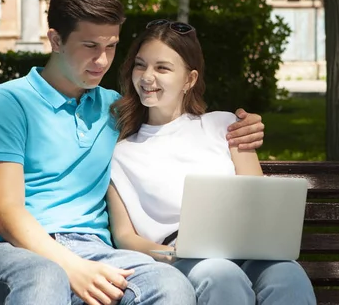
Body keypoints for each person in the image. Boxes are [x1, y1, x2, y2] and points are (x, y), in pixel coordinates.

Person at [0, 0, 265, 305]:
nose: (103, 61)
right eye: (90, 46)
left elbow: (174, 122)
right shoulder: (7, 103)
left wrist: (244, 126)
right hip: (11, 251)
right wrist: (70, 266)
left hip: (96, 250)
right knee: (45, 276)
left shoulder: (113, 109)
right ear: (55, 40)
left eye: (111, 47)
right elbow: (6, 212)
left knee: (169, 283)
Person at [108, 19, 316, 305]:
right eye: (140, 65)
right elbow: (124, 236)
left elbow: (259, 199)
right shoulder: (122, 152)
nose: (146, 77)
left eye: (162, 68)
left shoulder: (224, 125)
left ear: (189, 80)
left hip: (247, 249)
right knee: (221, 275)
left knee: (287, 275)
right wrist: (171, 253)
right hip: (184, 260)